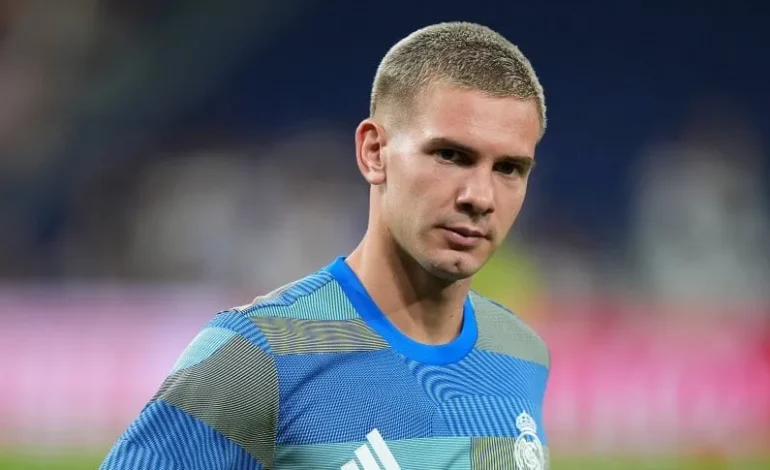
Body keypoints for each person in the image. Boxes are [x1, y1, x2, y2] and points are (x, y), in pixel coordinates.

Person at [101, 21, 550, 470]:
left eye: (509, 168)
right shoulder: (257, 356)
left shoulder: (521, 354)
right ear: (374, 152)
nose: (480, 197)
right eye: (450, 155)